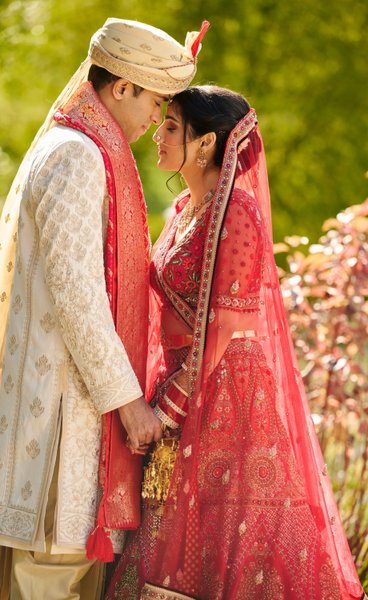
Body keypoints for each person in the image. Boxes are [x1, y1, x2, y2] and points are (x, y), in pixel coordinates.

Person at [0, 18, 209, 600]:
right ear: (122, 87)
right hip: (64, 420)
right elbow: (78, 296)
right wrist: (131, 407)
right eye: (154, 100)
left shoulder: (82, 147)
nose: (156, 118)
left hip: (75, 413)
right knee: (51, 577)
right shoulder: (79, 155)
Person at [105, 86, 365, 599]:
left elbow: (223, 329)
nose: (159, 132)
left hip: (228, 402)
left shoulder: (237, 213)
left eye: (173, 126)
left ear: (206, 144)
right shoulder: (184, 208)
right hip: (184, 385)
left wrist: (168, 410)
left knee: (228, 546)